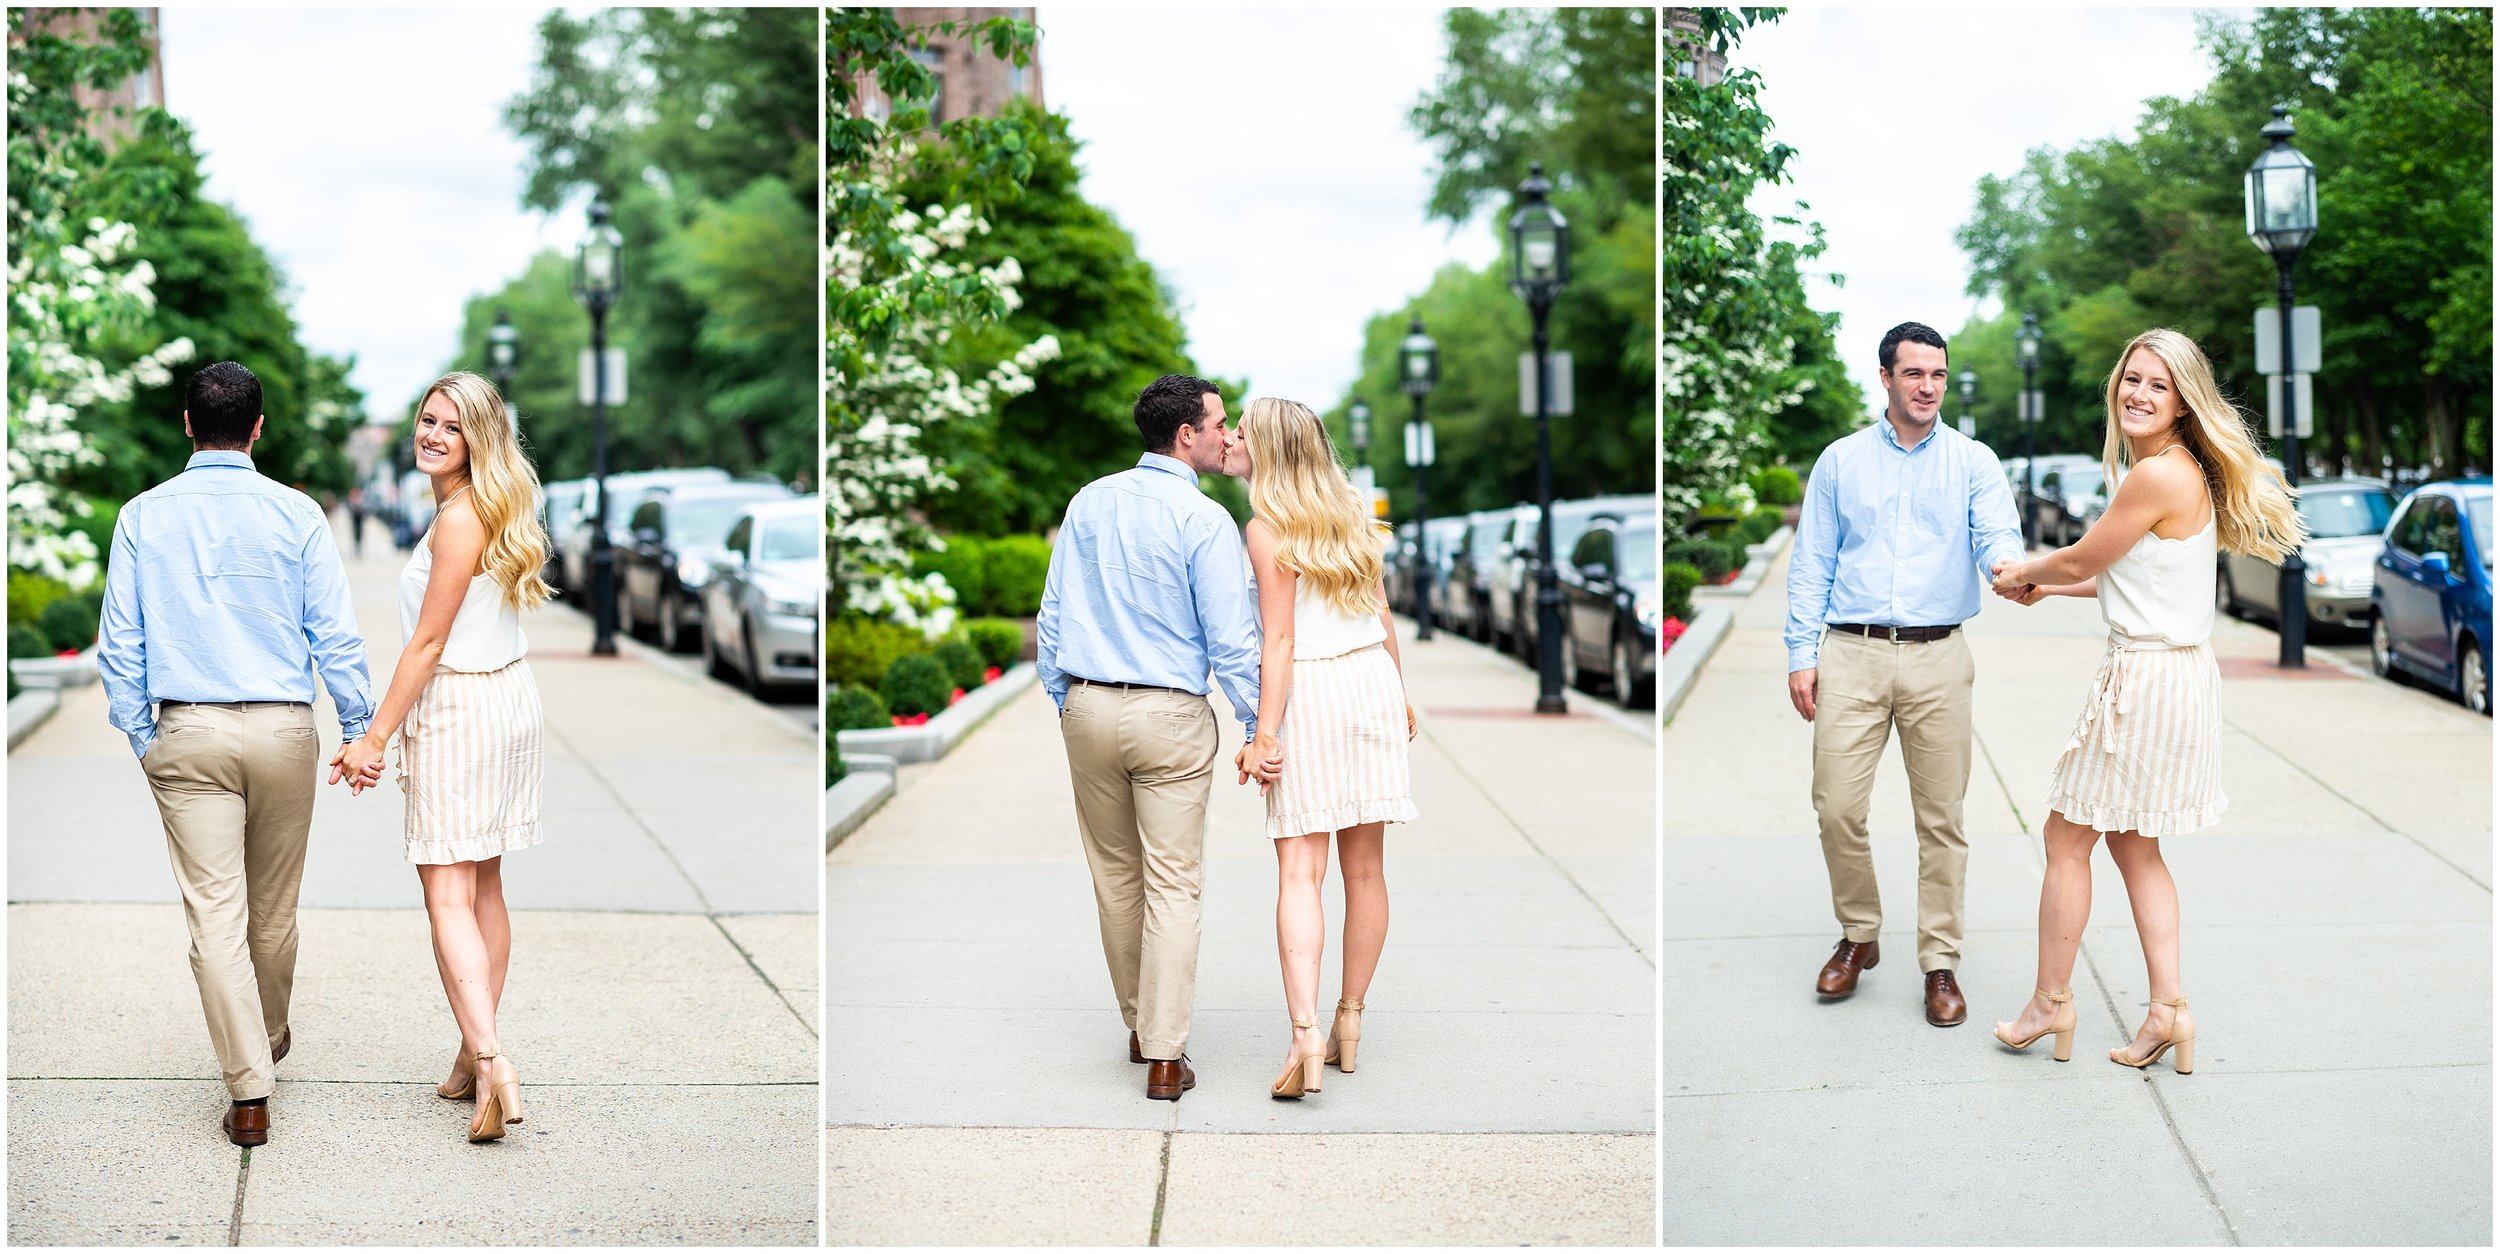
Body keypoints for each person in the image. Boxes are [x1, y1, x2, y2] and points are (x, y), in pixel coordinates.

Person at [1987, 328, 2302, 1072]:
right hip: (2175, 674)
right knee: (2134, 845)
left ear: (2183, 400)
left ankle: (2050, 1004)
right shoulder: (2179, 470)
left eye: (2157, 385)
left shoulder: (2157, 474)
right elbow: (2125, 575)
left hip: (2147, 682)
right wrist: (2052, 585)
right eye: (2132, 378)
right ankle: (2169, 1013)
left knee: (2066, 840)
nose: (2138, 393)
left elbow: (2083, 554)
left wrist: (2022, 571)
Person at [97, 361, 379, 1147]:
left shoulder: (143, 516)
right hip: (285, 727)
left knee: (213, 915)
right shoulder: (297, 515)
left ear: (188, 424)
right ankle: (271, 1031)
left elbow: (121, 642)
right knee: (274, 910)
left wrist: (141, 733)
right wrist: (357, 725)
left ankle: (249, 1090)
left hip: (188, 728)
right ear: (259, 428)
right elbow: (334, 633)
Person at [331, 371, 553, 1142]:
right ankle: (470, 1054)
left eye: (451, 427)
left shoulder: (459, 520)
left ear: (478, 440)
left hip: (461, 706)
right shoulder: (490, 505)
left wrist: (374, 737)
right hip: (505, 698)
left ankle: (493, 1061)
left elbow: (427, 644)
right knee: (484, 884)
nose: (432, 435)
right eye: (427, 420)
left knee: (447, 893)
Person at [1784, 321, 2024, 1027]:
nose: (1927, 387)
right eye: (1914, 373)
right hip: (1850, 654)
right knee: (1836, 807)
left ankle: (1940, 960)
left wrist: (2009, 569)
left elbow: (1997, 536)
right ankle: (1859, 936)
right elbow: (1812, 562)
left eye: (1938, 375)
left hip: (1938, 654)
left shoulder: (1974, 461)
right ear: (1885, 377)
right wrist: (1802, 652)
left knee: (1941, 818)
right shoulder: (1840, 461)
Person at [1035, 374, 1265, 1102]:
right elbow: (1232, 641)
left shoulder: (1089, 501)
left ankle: (1141, 1027)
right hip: (1169, 714)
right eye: (1219, 423)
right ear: (1186, 436)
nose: (1227, 434)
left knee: (1115, 880)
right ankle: (1167, 1056)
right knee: (1173, 884)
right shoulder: (1204, 521)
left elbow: (1052, 613)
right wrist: (1260, 726)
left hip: (1090, 709)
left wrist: (1065, 698)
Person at [1225, 397, 1418, 1100]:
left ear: (1269, 449)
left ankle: (1305, 1032)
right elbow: (1383, 614)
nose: (1231, 440)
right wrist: (1398, 694)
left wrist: (1264, 732)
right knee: (1364, 870)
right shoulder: (1354, 515)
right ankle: (1350, 1021)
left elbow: (1280, 639)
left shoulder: (1265, 528)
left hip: (1309, 690)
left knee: (1299, 872)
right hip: (1368, 678)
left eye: (1241, 432)